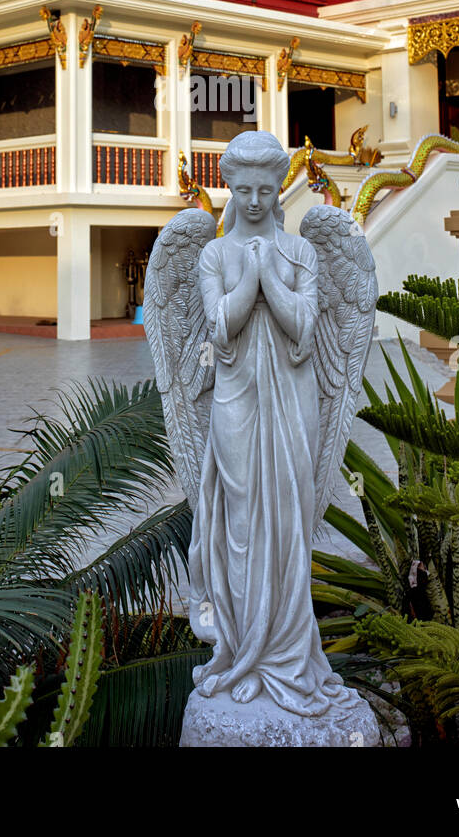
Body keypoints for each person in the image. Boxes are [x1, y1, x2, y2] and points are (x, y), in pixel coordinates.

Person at [189, 130, 355, 715]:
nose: (255, 202)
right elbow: (220, 327)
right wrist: (254, 277)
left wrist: (264, 274)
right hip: (235, 399)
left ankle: (287, 652)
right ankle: (241, 652)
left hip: (292, 398)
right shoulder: (212, 254)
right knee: (240, 519)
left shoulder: (304, 253)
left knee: (287, 516)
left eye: (265, 190)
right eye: (243, 190)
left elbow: (304, 329)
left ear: (278, 189)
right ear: (229, 189)